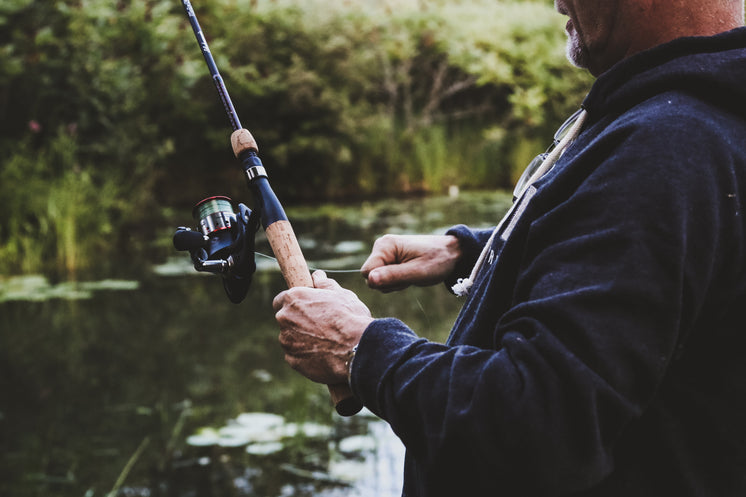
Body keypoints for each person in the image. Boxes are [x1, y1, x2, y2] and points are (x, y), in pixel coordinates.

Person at [273, 0, 746, 495]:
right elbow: (665, 268)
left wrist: (361, 348)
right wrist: (480, 251)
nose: (559, 2)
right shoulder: (710, 120)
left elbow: (533, 422)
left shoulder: (666, 145)